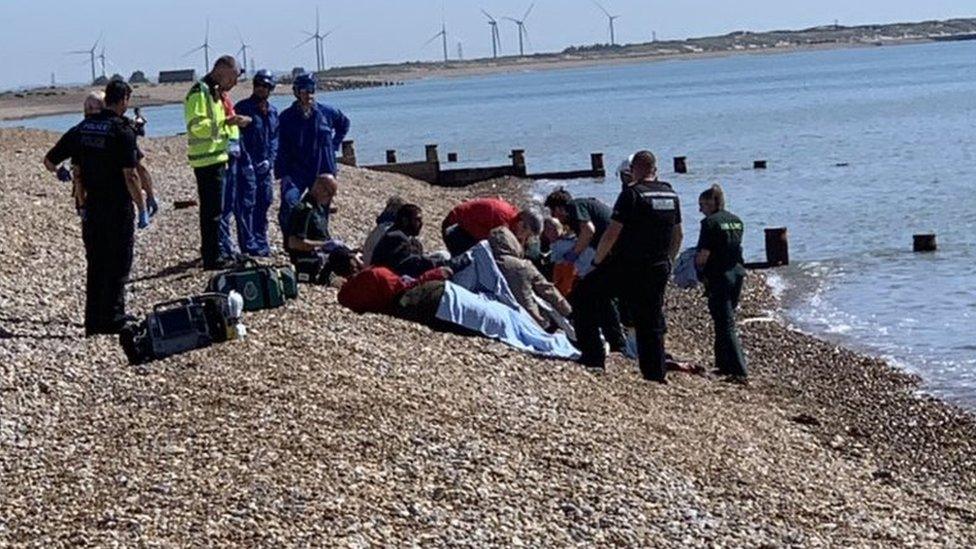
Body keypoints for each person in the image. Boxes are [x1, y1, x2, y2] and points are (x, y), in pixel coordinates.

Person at [42, 80, 148, 335]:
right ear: (123, 101)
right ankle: (114, 318)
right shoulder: (122, 131)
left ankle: (94, 320)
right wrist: (142, 206)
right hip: (116, 207)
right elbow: (130, 175)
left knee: (97, 262)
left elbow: (49, 160)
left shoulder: (81, 129)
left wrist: (60, 172)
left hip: (90, 207)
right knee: (119, 261)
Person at [587, 150, 683, 382]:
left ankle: (593, 356)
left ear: (635, 169)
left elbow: (611, 234)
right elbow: (678, 235)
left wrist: (597, 261)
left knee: (586, 296)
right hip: (659, 265)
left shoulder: (632, 195)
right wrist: (669, 260)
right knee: (651, 318)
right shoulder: (670, 194)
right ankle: (655, 373)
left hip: (632, 265)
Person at [184, 55, 249, 270]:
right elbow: (196, 126)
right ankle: (212, 258)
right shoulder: (200, 92)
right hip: (206, 160)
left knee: (217, 210)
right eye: (233, 78)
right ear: (222, 71)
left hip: (218, 157)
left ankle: (216, 252)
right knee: (212, 212)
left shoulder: (215, 92)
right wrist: (226, 123)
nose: (234, 84)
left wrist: (233, 125)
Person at [545, 189, 625, 350]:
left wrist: (573, 254)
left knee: (585, 296)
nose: (555, 217)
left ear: (560, 208)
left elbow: (588, 231)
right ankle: (616, 342)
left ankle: (598, 346)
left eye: (554, 212)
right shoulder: (582, 209)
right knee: (601, 297)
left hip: (614, 251)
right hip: (614, 251)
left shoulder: (575, 206)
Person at [275, 72, 351, 237]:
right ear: (296, 92)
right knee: (289, 203)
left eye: (311, 89)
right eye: (304, 90)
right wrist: (282, 172)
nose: (308, 94)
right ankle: (291, 240)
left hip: (322, 169)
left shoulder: (327, 112)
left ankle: (320, 241)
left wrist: (334, 144)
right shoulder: (286, 117)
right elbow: (280, 146)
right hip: (297, 170)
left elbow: (344, 124)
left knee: (321, 209)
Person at [695, 184, 748, 380]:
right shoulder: (736, 221)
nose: (700, 210)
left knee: (725, 323)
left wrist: (696, 270)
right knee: (723, 319)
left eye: (702, 205)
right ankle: (722, 363)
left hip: (719, 277)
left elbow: (704, 254)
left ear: (710, 203)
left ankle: (739, 369)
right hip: (737, 273)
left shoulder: (709, 223)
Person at [488, 226, 572, 330]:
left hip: (497, 313)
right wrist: (567, 311)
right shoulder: (523, 266)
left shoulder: (487, 262)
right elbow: (548, 290)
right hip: (531, 319)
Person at [234, 70, 280, 256]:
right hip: (246, 167)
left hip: (264, 166)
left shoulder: (272, 112)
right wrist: (245, 162)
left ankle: (261, 241)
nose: (261, 89)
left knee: (264, 202)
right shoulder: (242, 108)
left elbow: (274, 139)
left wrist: (270, 160)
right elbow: (236, 138)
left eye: (265, 86)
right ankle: (248, 244)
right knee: (246, 205)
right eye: (258, 85)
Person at [371, 204, 460, 278]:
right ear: (405, 220)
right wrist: (444, 264)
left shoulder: (409, 240)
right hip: (387, 282)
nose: (421, 224)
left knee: (442, 255)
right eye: (417, 220)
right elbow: (413, 263)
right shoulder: (395, 237)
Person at [218, 86, 253, 258]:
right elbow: (221, 124)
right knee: (224, 206)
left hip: (233, 152)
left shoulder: (226, 101)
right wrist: (231, 121)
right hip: (223, 155)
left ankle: (229, 245)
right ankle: (224, 247)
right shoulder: (215, 102)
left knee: (232, 202)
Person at [285, 175, 339, 283]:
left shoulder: (318, 209)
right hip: (308, 259)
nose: (330, 198)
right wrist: (323, 245)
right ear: (319, 188)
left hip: (321, 253)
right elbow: (293, 243)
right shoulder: (304, 210)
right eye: (329, 193)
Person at [441, 197, 539, 256]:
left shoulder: (513, 218)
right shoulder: (502, 222)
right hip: (455, 227)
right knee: (475, 260)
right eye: (527, 235)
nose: (524, 238)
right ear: (522, 225)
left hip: (469, 227)